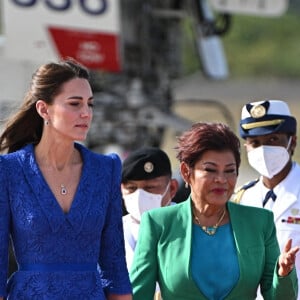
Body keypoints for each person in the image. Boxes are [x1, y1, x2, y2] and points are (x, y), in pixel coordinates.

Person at [0, 59, 132, 300]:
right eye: (74, 103)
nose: (86, 113)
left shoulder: (106, 169)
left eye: (90, 104)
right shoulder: (9, 171)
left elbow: (114, 264)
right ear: (43, 109)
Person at [130, 122, 299, 300]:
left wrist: (283, 274)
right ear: (186, 173)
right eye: (210, 170)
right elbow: (139, 294)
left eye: (230, 171)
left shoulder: (259, 222)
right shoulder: (158, 223)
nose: (221, 179)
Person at [233, 99, 300, 299]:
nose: (263, 150)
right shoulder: (241, 198)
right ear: (246, 147)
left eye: (273, 140)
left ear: (292, 142)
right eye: (255, 143)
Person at [121, 147, 179, 271]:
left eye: (150, 188)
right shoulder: (110, 233)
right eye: (131, 188)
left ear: (172, 188)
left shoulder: (191, 227)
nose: (139, 196)